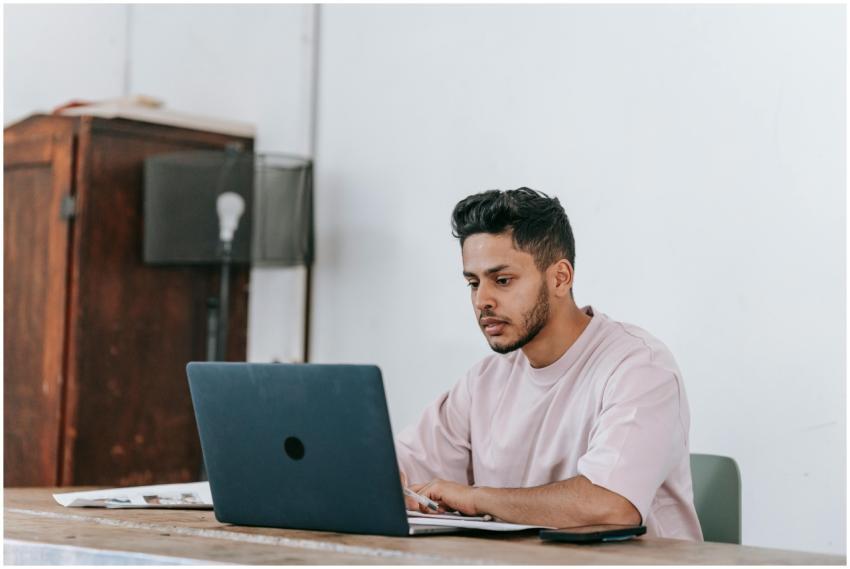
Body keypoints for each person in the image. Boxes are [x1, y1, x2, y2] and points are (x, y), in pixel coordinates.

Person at [395, 188, 703, 541]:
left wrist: (476, 497)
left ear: (560, 278)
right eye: (473, 283)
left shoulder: (640, 367)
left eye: (503, 280)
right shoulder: (484, 381)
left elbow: (612, 505)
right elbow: (394, 471)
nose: (482, 301)